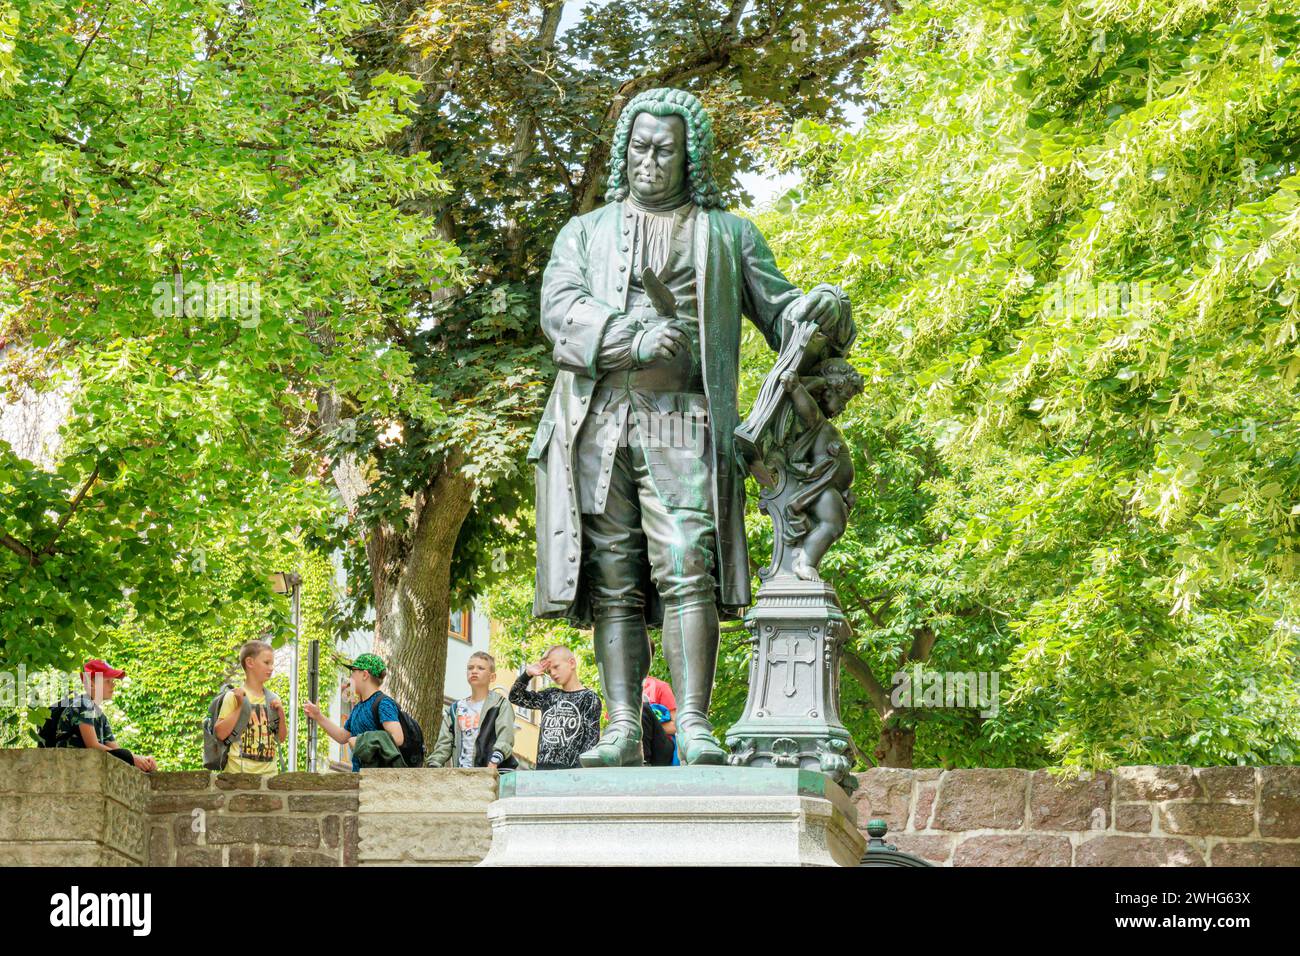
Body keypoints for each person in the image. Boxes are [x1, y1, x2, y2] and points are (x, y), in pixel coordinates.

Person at [529, 87, 856, 766]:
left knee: (686, 563)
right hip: (594, 424)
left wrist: (818, 307)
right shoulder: (582, 234)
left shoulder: (730, 235)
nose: (650, 161)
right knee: (614, 575)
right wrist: (630, 338)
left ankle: (697, 722)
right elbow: (559, 310)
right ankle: (621, 727)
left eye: (666, 150)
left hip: (683, 423)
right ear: (626, 152)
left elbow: (781, 312)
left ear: (690, 156)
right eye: (640, 148)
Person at [48, 660, 157, 772]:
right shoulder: (82, 706)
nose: (113, 684)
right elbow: (93, 745)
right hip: (69, 769)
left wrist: (142, 760)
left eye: (113, 680)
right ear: (91, 683)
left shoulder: (100, 716)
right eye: (108, 681)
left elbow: (115, 750)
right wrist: (132, 758)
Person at [302, 653, 403, 772]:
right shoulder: (358, 707)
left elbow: (397, 737)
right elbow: (342, 736)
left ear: (365, 675)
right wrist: (318, 716)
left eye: (353, 671)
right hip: (361, 778)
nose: (350, 677)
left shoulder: (384, 703)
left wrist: (362, 741)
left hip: (380, 781)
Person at [508, 646, 600, 770]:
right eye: (549, 671)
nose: (553, 674)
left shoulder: (589, 698)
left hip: (571, 774)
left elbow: (591, 742)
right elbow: (515, 696)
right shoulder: (550, 695)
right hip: (542, 771)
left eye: (556, 667)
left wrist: (579, 774)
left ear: (572, 663)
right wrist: (527, 674)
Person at [427, 651, 518, 770]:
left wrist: (494, 761)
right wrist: (434, 764)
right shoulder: (455, 709)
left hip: (493, 772)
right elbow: (444, 744)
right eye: (470, 668)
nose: (474, 671)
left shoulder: (500, 704)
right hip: (462, 775)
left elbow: (505, 737)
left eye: (480, 668)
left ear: (492, 677)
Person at [210, 640, 287, 775]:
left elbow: (280, 738)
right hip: (237, 776)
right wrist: (240, 706)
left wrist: (281, 713)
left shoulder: (273, 699)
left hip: (269, 776)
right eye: (266, 662)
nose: (272, 667)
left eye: (272, 663)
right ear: (250, 662)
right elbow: (220, 733)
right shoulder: (234, 696)